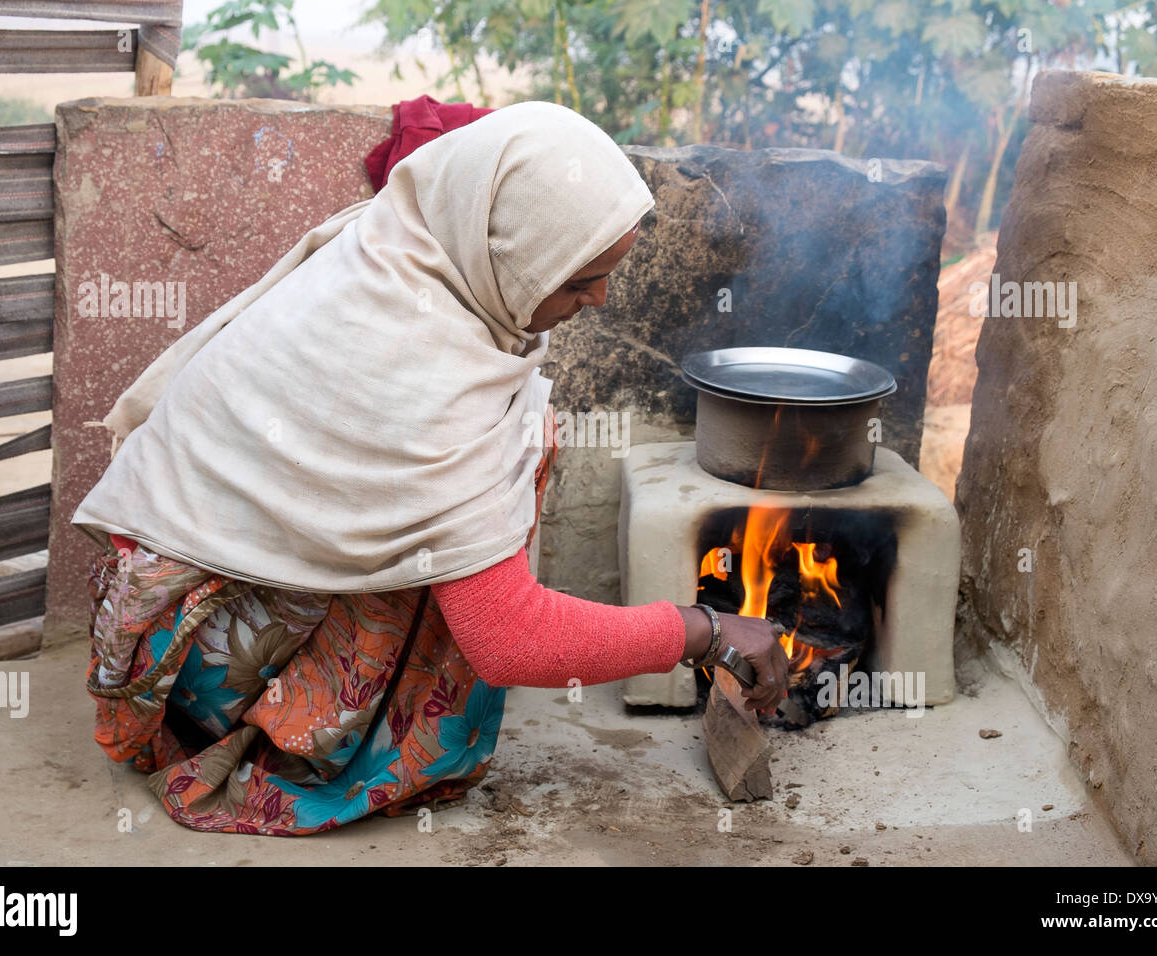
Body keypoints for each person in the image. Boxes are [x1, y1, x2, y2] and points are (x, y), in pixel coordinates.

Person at [72, 101, 789, 835]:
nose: (598, 299)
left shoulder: (402, 254)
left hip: (180, 610)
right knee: (463, 546)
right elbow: (508, 641)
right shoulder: (416, 361)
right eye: (579, 281)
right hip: (189, 657)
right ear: (507, 253)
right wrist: (706, 630)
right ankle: (299, 743)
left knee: (505, 453)